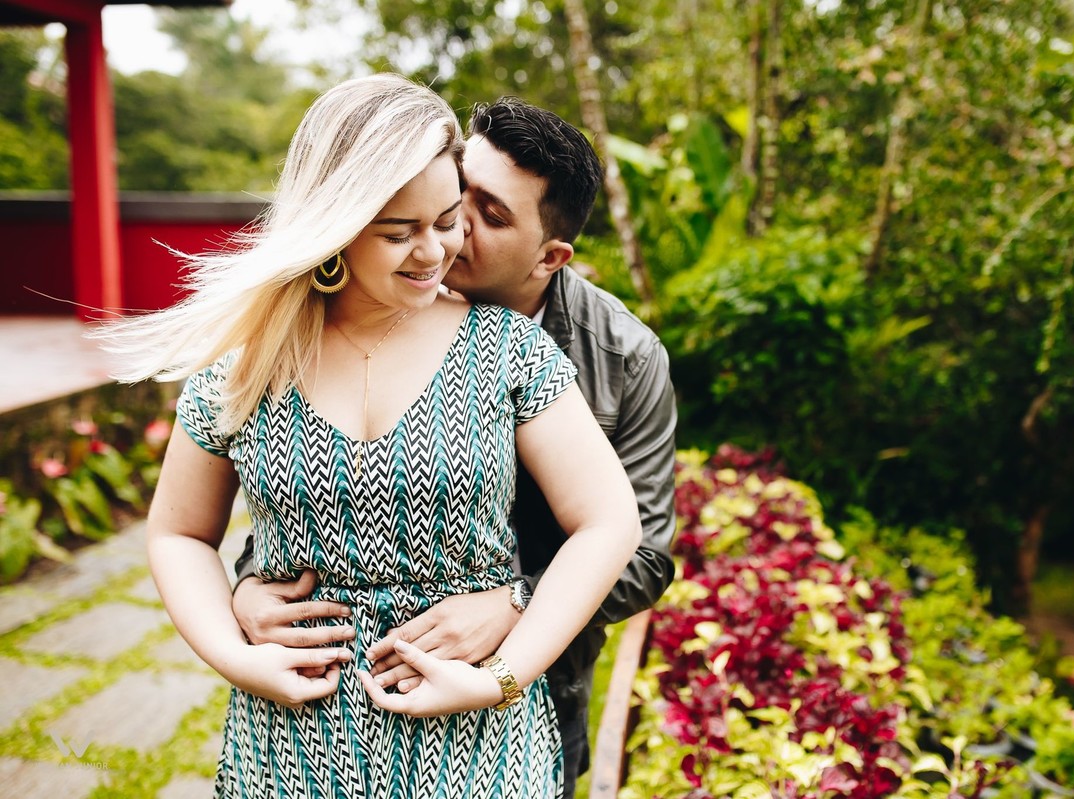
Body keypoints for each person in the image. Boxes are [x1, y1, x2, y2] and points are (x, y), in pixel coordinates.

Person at [95, 74, 640, 798]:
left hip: (476, 740)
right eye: (397, 232)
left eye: (447, 220)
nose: (433, 251)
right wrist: (236, 656)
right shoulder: (248, 365)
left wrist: (502, 679)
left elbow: (609, 522)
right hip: (290, 743)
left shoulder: (509, 350)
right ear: (335, 223)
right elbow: (177, 533)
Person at [231, 97, 679, 795]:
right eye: (456, 187)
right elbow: (314, 478)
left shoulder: (622, 358)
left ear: (550, 256)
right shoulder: (341, 314)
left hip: (528, 689)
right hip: (327, 704)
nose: (450, 224)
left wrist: (515, 604)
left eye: (490, 215)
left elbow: (641, 549)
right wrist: (249, 587)